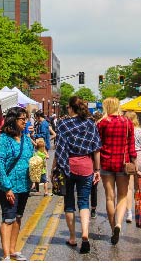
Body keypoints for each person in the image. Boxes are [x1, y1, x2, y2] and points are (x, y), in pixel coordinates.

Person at [55, 97, 102, 254]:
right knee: (84, 203)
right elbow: (96, 148)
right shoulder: (90, 124)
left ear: (70, 108)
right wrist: (97, 170)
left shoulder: (63, 124)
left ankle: (73, 237)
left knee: (69, 203)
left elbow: (59, 148)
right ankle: (85, 235)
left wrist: (55, 167)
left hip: (68, 166)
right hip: (86, 166)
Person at [0, 107, 34, 261]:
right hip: (9, 187)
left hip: (24, 185)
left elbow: (31, 156)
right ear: (12, 120)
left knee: (18, 217)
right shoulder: (2, 141)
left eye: (26, 118)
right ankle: (5, 255)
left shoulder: (25, 138)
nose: (25, 121)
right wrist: (7, 187)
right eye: (22, 119)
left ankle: (13, 250)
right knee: (8, 219)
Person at [97, 97, 139, 244]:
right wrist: (135, 162)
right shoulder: (127, 122)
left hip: (106, 162)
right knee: (122, 196)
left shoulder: (102, 123)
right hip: (123, 163)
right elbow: (131, 145)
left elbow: (97, 144)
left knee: (110, 197)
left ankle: (112, 226)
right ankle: (119, 224)